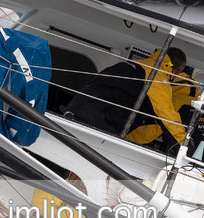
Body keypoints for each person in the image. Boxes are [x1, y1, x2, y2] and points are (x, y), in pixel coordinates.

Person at [64, 47, 195, 151]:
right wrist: (184, 145)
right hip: (93, 123)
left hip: (77, 112)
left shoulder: (138, 64)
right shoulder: (157, 75)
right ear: (176, 72)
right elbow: (165, 113)